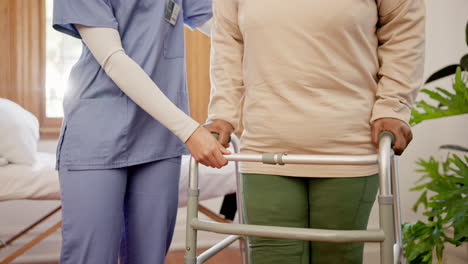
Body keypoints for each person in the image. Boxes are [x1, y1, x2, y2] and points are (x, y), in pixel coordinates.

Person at [205, 0, 425, 263]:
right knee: (271, 257)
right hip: (265, 144)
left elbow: (404, 31)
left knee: (336, 257)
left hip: (347, 145)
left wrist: (393, 106)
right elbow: (228, 43)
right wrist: (221, 114)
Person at [52, 0, 227, 263]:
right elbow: (113, 59)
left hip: (159, 136)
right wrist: (189, 130)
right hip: (98, 133)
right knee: (92, 257)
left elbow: (225, 27)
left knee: (149, 257)